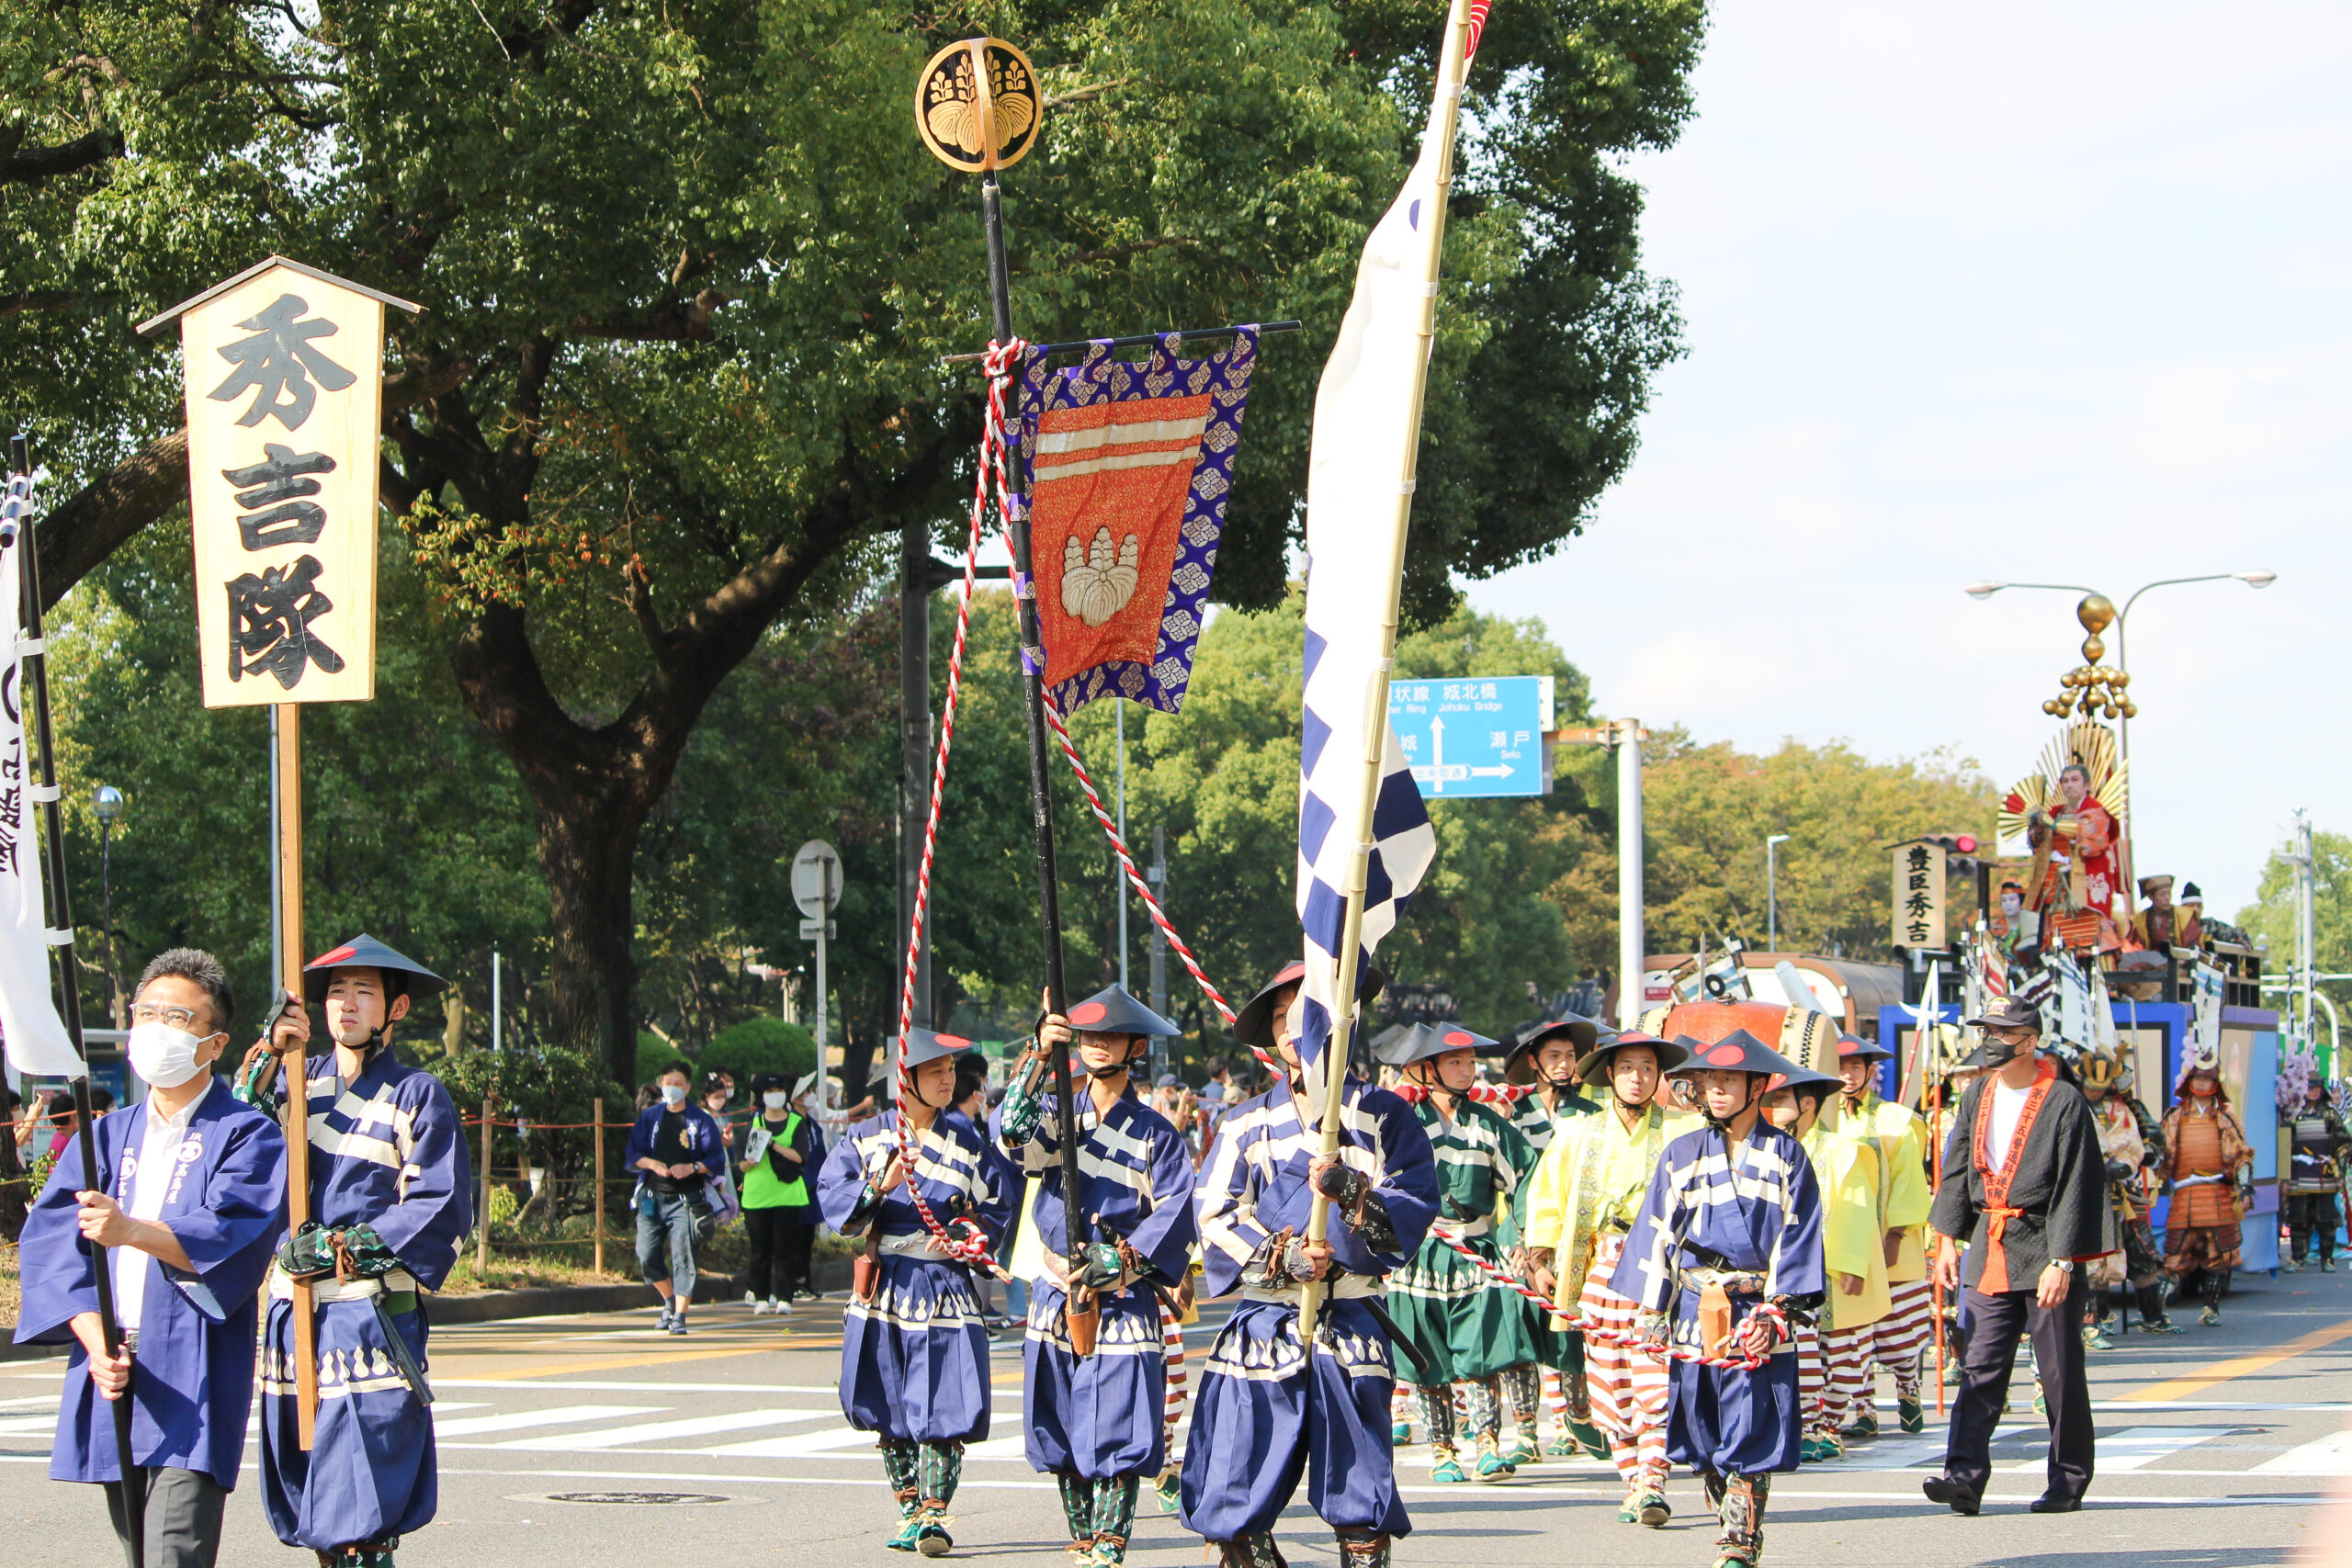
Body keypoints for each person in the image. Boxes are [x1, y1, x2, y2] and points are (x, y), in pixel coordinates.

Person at [17, 949, 288, 1568]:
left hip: (189, 1370)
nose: (157, 1028)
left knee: (173, 1550)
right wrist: (94, 1343)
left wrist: (130, 1228)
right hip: (115, 1367)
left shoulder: (246, 1133)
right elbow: (54, 1249)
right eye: (147, 1012)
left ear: (215, 1042)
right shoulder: (104, 1134)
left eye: (177, 1017)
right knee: (139, 1550)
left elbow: (232, 1231)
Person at [1180, 960, 1439, 1568]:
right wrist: (1284, 1254)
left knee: (1360, 1496)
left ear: (1342, 1019)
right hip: (1265, 1323)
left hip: (1349, 1319)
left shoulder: (1385, 1115)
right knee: (1235, 1491)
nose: (1294, 1029)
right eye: (1280, 1017)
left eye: (1307, 1013)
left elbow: (1414, 1205)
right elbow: (1213, 1214)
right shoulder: (1242, 1121)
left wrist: (1352, 1191)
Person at [240, 934, 473, 1568]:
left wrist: (348, 1245)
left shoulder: (419, 1094)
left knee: (361, 1505)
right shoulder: (297, 1078)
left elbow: (440, 1206)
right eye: (336, 991)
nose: (346, 1003)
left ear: (394, 1009)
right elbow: (237, 1134)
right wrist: (270, 1050)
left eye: (363, 991)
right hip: (293, 1312)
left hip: (369, 1313)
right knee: (310, 1493)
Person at [996, 984, 1197, 1568]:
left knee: (1120, 1414)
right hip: (1057, 1286)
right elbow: (1011, 1135)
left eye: (1110, 1035)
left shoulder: (1158, 1132)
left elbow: (1175, 1209)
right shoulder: (1058, 1113)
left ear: (1136, 1046)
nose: (1097, 1045)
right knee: (1057, 1412)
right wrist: (1038, 1055)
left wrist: (1125, 1260)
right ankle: (1081, 1533)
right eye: (1088, 1034)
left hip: (1122, 1290)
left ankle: (1111, 1539)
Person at [1612, 1031, 1824, 1568]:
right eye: (1709, 1080)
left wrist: (1779, 1312)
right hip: (1693, 1305)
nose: (1717, 1090)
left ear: (1758, 1086)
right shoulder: (1681, 1154)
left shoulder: (1788, 1157)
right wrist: (1651, 1310)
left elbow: (1798, 1237)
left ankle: (1739, 1544)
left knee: (1751, 1423)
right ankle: (1723, 1500)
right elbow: (1659, 1232)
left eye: (1729, 1080)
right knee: (1704, 1429)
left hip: (1757, 1308)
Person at [820, 1027, 1018, 1556]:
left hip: (944, 1284)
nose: (948, 1080)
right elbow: (835, 1202)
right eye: (936, 1072)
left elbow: (998, 1204)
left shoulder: (967, 1141)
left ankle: (934, 1513)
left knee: (944, 1397)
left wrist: (967, 1236)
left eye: (952, 1071)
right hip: (885, 1283)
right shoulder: (865, 1138)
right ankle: (910, 1509)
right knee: (888, 1401)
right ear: (904, 1080)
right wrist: (875, 1189)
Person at [1922, 995, 2109, 1517]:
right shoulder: (1976, 1093)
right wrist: (1945, 1241)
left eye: (2003, 1032)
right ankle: (1963, 1477)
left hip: (2045, 1243)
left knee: (2059, 1372)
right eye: (1988, 1029)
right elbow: (1956, 1168)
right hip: (1989, 1243)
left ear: (2030, 1041)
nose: (1992, 1039)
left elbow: (2077, 1184)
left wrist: (2064, 1260)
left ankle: (2068, 1480)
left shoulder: (2064, 1101)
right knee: (1978, 1365)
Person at [1519, 1028, 1690, 1528]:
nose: (1638, 1078)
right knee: (1609, 1382)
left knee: (1653, 1374)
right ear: (1610, 1075)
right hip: (1599, 1264)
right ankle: (1631, 1478)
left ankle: (1653, 1479)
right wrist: (1540, 1259)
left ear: (1659, 1077)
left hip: (1657, 1268)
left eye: (1648, 1069)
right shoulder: (1580, 1133)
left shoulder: (1682, 1131)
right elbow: (1546, 1199)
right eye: (1628, 1068)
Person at [1379, 1021, 1540, 1483]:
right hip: (1419, 1253)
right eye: (1455, 1061)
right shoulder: (1405, 1125)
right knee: (1427, 1358)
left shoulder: (1490, 1125)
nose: (1467, 1070)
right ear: (1428, 1069)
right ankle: (1443, 1453)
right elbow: (1380, 1184)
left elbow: (1527, 1179)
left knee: (1481, 1351)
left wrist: (1520, 1238)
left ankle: (1488, 1446)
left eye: (1470, 1061)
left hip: (1475, 1251)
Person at [1762, 1065, 1885, 1463]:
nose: (1772, 1105)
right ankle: (1804, 1424)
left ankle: (1825, 1425)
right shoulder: (1769, 1147)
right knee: (1800, 1351)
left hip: (1831, 1267)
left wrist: (1851, 1263)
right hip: (1787, 1271)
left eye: (1781, 1098)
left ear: (1808, 1103)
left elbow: (1856, 1209)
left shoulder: (1842, 1148)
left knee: (1844, 1354)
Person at [1498, 1017, 1609, 1461]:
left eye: (1569, 1056)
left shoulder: (1591, 1113)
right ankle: (1526, 1433)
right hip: (1517, 1234)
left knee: (1568, 1330)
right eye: (1554, 1057)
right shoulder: (1511, 1112)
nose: (1564, 1065)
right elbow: (1501, 1181)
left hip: (1571, 1233)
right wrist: (1517, 1240)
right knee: (1519, 1332)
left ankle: (1575, 1418)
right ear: (1533, 1062)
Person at [1829, 1032, 1934, 1435]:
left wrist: (1894, 1235)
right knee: (1856, 1329)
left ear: (1869, 1071)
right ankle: (1865, 1410)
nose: (1847, 1075)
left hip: (1890, 1238)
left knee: (1898, 1329)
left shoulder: (1896, 1119)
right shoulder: (1825, 1118)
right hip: (1847, 1238)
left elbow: (1910, 1181)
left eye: (1855, 1067)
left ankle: (1909, 1388)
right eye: (1839, 1067)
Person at [625, 1061, 728, 1335]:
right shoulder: (650, 1118)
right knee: (646, 1254)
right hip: (651, 1196)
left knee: (684, 1257)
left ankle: (680, 1316)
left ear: (688, 1087)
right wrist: (652, 1164)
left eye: (678, 1084)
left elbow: (715, 1159)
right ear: (661, 1084)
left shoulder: (700, 1120)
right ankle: (668, 1299)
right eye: (668, 1084)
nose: (673, 1089)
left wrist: (692, 1168)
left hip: (686, 1200)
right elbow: (634, 1154)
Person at [2078, 1049, 2173, 1336]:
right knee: (2093, 1257)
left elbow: (2151, 1140)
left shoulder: (2125, 1107)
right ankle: (2097, 1322)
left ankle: (2153, 1316)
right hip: (2086, 1192)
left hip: (2124, 1190)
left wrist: (2134, 1159)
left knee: (2143, 1253)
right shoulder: (2070, 1103)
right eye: (2090, 1086)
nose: (2096, 1092)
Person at [2159, 1044, 2254, 1325]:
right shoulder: (2174, 1117)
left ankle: (2211, 1309)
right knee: (2174, 1255)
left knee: (2220, 1253)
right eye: (2198, 1079)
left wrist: (2245, 1187)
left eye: (2208, 1080)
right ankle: (2156, 1312)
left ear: (2215, 1085)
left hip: (2218, 1194)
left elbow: (2241, 1155)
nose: (2202, 1084)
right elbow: (2161, 1153)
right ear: (2190, 1082)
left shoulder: (2225, 1119)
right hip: (2186, 1194)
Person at [740, 1071, 823, 1315]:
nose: (774, 1096)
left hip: (788, 1194)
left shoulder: (797, 1122)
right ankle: (761, 1297)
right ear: (762, 1096)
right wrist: (752, 1158)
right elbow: (742, 1164)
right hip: (757, 1195)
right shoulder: (753, 1123)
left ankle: (785, 1297)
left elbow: (800, 1156)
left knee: (785, 1248)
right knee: (760, 1249)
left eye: (778, 1091)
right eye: (769, 1092)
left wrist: (773, 1144)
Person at [2283, 1077, 2352, 1272]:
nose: (2313, 1091)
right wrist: (2284, 1176)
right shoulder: (2293, 1114)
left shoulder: (2330, 1114)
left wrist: (2339, 1171)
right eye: (2309, 1087)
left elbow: (2344, 1144)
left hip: (2325, 1175)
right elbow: (2283, 1145)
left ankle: (2327, 1260)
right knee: (2298, 1220)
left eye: (2317, 1088)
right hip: (2299, 1175)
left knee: (2326, 1220)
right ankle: (2298, 1260)